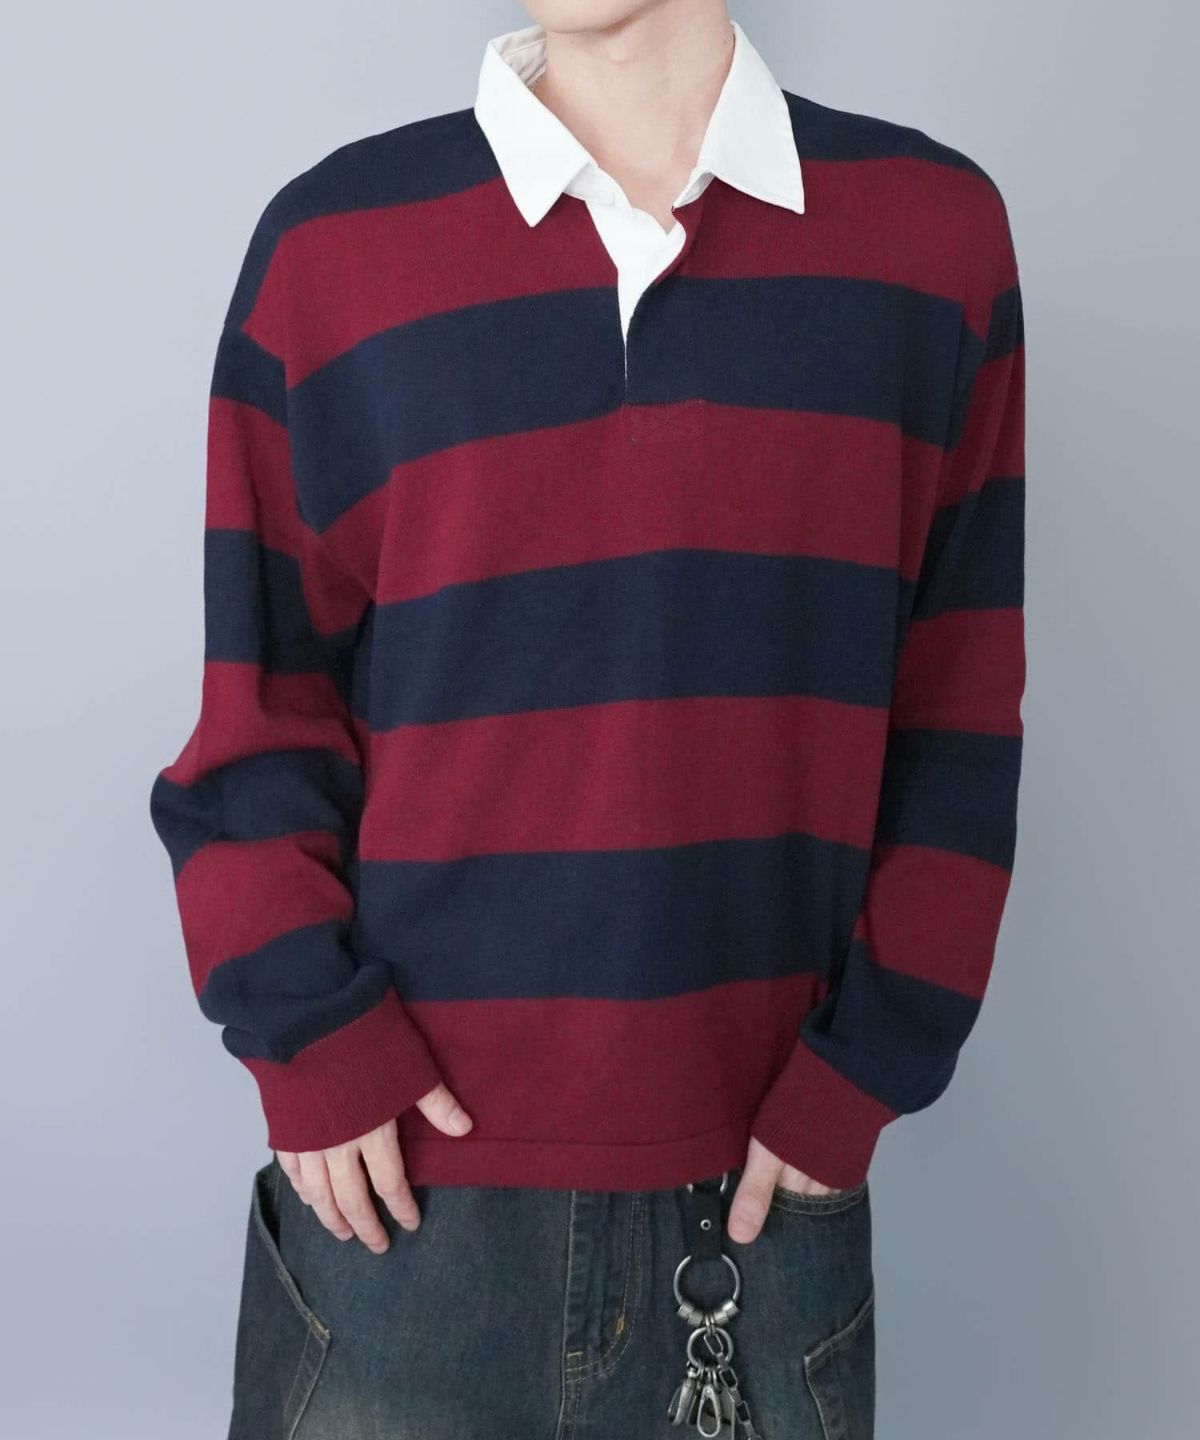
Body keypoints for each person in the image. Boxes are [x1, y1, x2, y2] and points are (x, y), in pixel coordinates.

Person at [148, 1, 1025, 1434]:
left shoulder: (930, 241)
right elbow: (259, 716)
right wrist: (312, 1040)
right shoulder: (334, 249)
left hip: (760, 1215)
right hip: (400, 1219)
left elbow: (958, 717)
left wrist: (866, 1070)